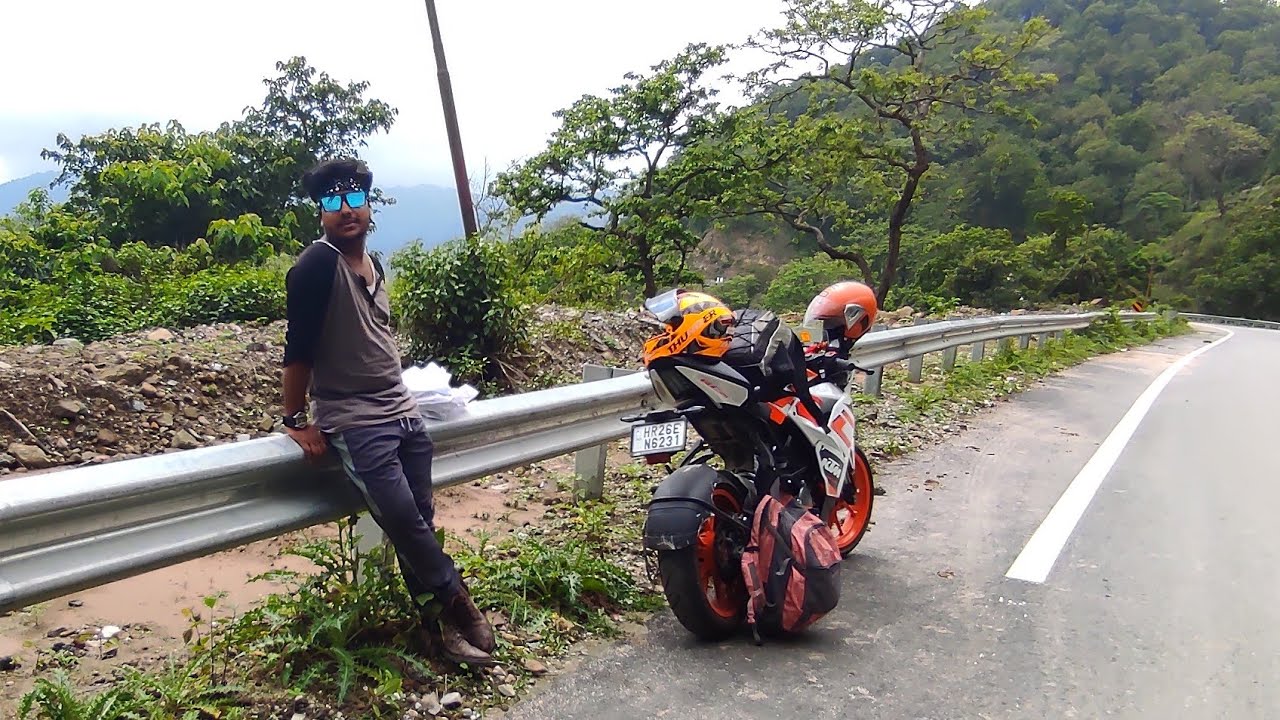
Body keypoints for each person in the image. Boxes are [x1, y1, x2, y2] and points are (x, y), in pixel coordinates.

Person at [278, 157, 496, 667]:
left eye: (354, 199)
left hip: (403, 411)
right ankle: (459, 603)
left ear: (370, 207)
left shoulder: (374, 264)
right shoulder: (316, 265)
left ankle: (435, 634)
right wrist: (294, 420)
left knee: (416, 522)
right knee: (403, 518)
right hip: (355, 421)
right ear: (321, 213)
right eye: (332, 201)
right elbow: (298, 349)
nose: (346, 209)